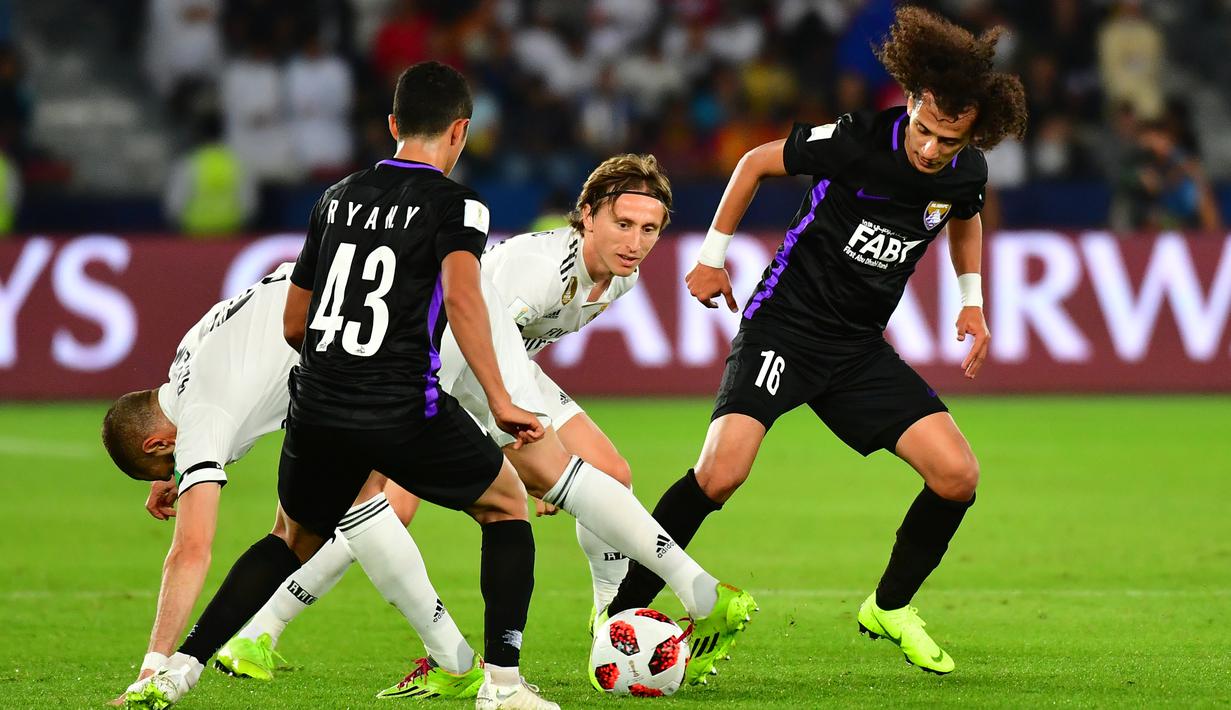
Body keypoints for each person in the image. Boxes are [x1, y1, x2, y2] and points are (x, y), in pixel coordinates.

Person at [221, 155, 759, 694]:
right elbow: (469, 330)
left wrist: (536, 447)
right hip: (441, 367)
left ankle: (609, 620)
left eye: (649, 230)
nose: (636, 242)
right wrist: (526, 448)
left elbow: (514, 352)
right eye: (623, 225)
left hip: (504, 369)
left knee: (609, 470)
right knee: (384, 508)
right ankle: (263, 631)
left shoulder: (620, 279)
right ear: (587, 215)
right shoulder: (540, 269)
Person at [123, 61, 558, 710]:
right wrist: (499, 400)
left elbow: (296, 321)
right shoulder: (458, 204)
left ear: (392, 125)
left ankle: (178, 669)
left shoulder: (336, 198)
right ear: (459, 131)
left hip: (320, 402)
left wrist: (333, 375)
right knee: (504, 505)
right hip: (401, 400)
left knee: (290, 539)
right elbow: (464, 300)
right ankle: (500, 685)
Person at [606, 6, 1027, 676]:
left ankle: (888, 607)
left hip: (856, 349)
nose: (928, 149)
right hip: (783, 327)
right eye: (923, 130)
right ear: (911, 101)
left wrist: (972, 304)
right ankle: (620, 614)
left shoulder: (963, 173)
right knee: (719, 475)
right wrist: (713, 256)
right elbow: (752, 163)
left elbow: (964, 218)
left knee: (956, 477)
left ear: (971, 132)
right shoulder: (857, 139)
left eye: (947, 141)